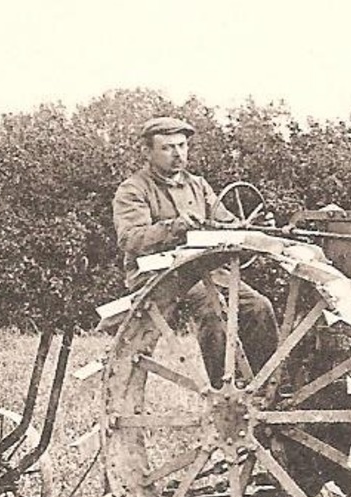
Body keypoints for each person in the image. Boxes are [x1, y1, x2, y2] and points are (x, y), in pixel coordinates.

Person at [112, 116, 277, 388]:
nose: (178, 154)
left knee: (259, 307)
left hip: (208, 272)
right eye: (167, 148)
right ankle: (225, 392)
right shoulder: (133, 189)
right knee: (214, 310)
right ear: (148, 152)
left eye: (182, 146)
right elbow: (131, 239)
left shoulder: (198, 185)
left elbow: (227, 226)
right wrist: (174, 227)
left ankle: (262, 388)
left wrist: (255, 229)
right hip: (162, 275)